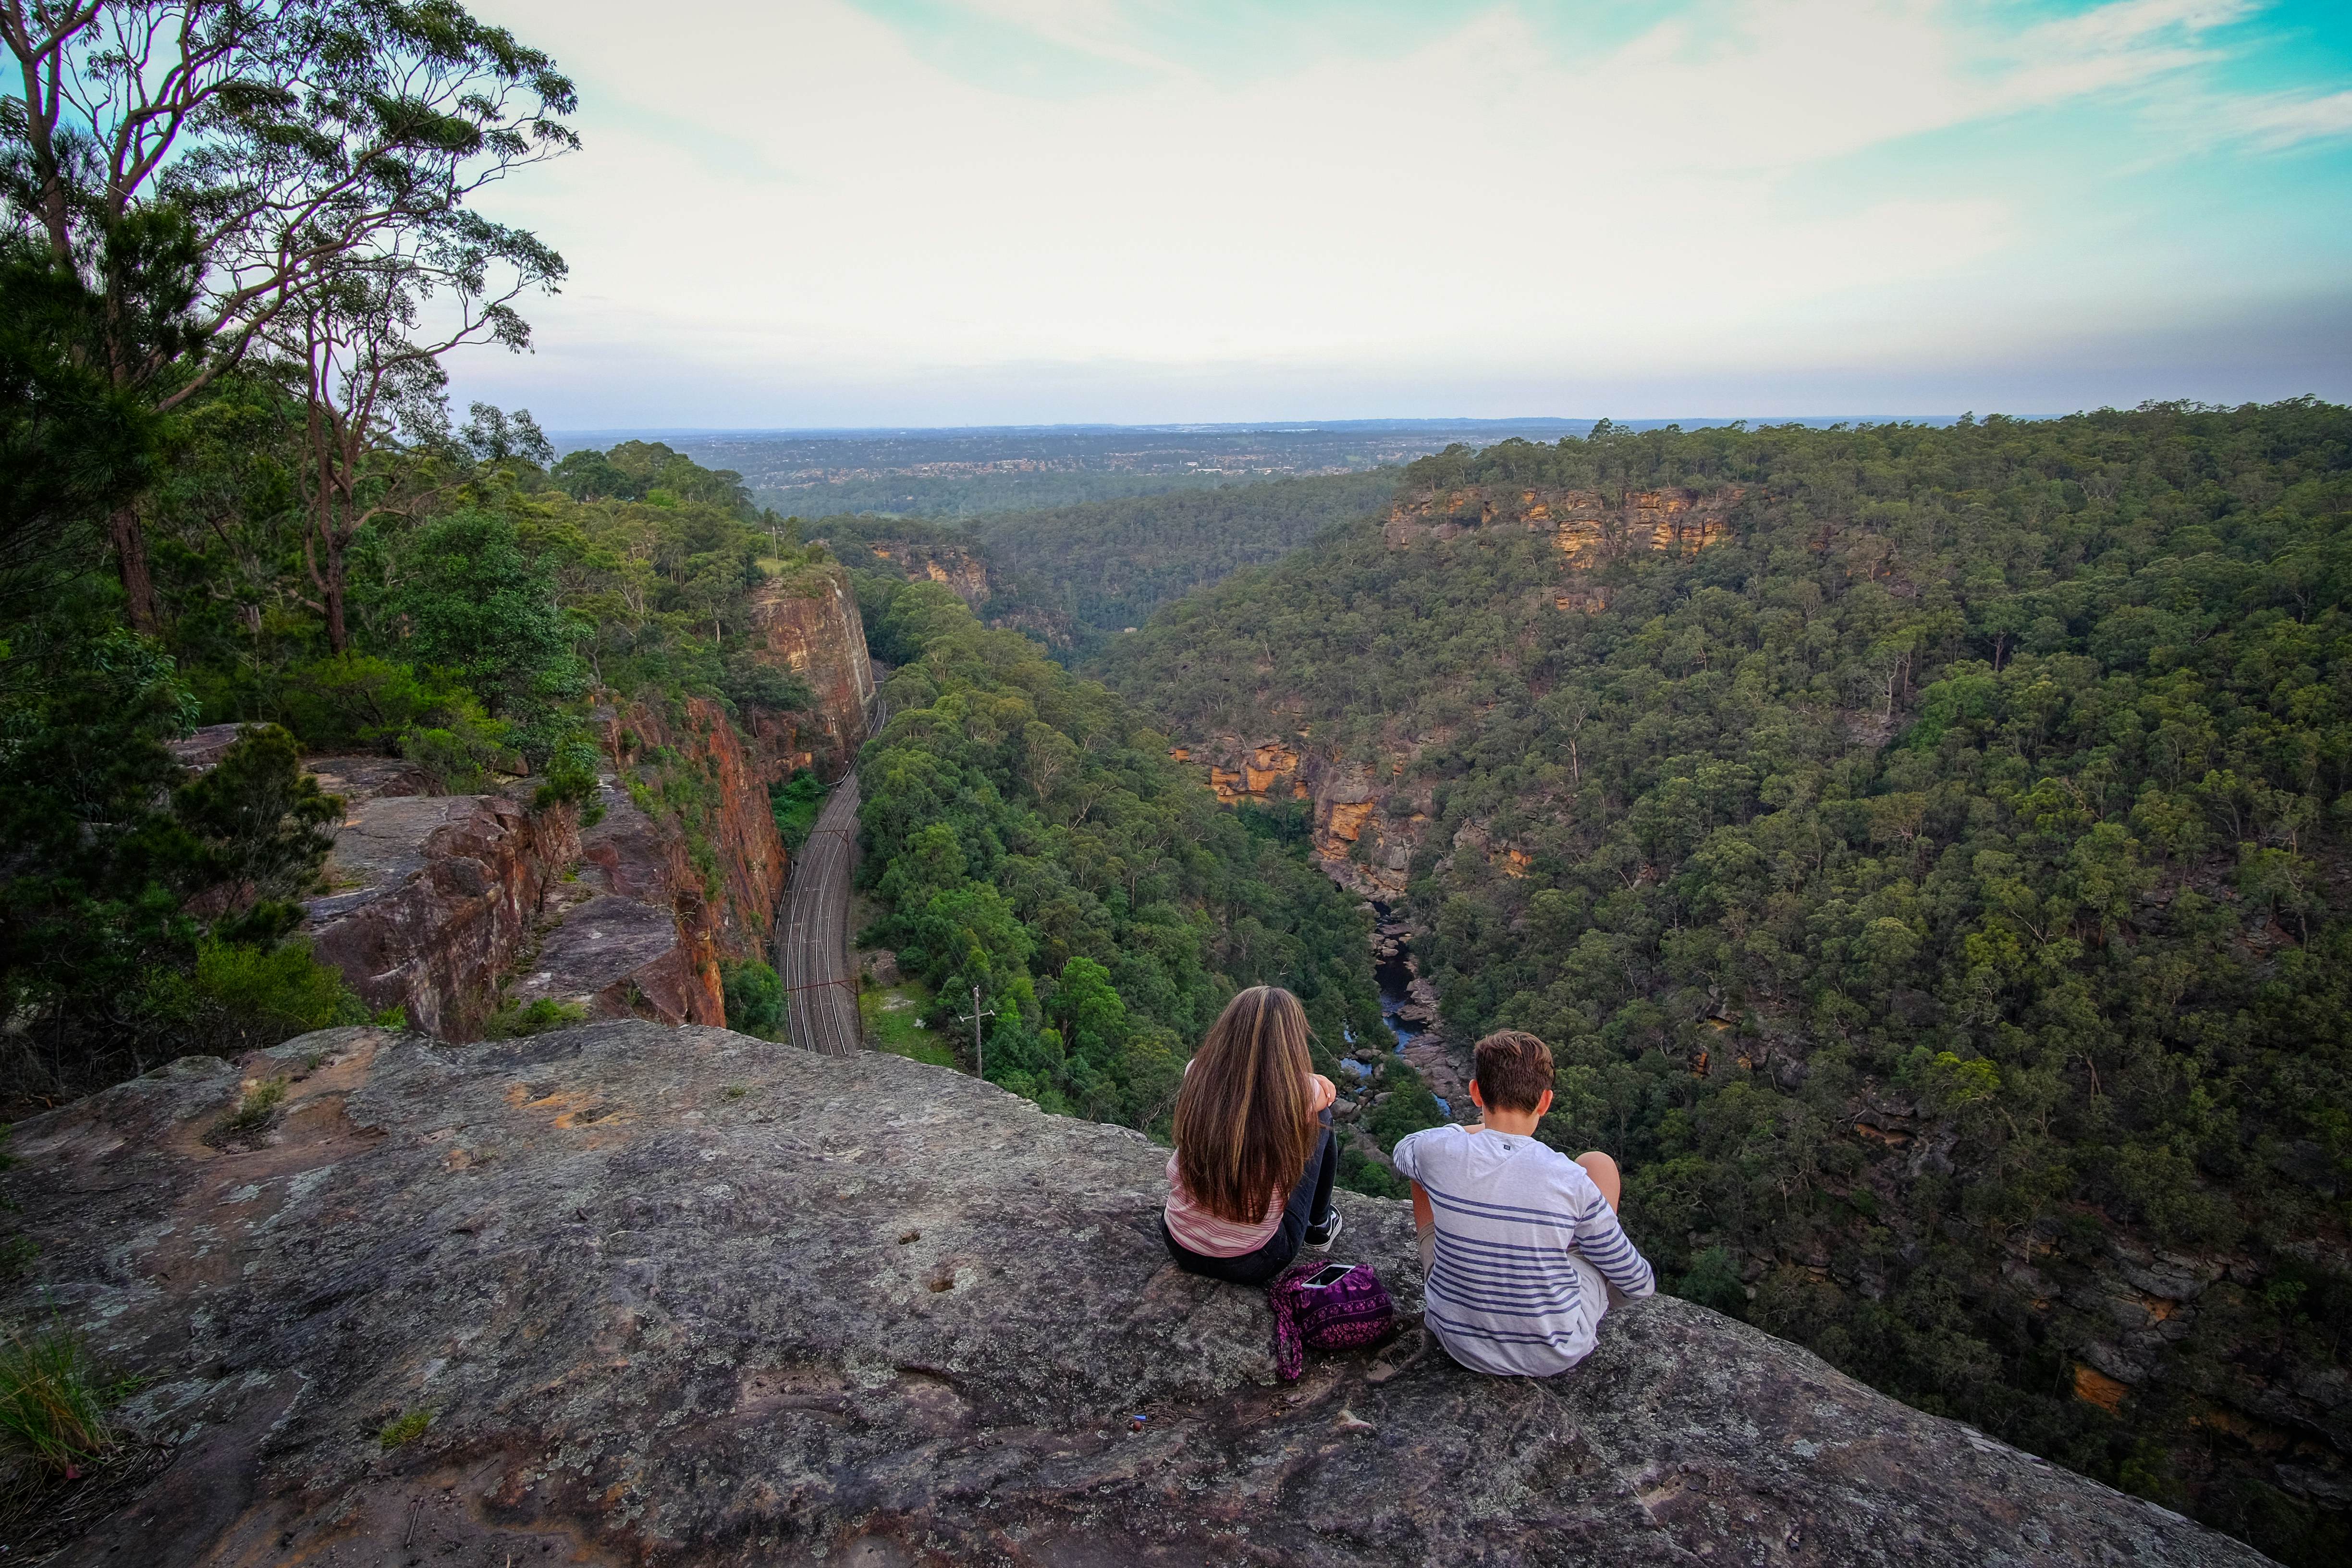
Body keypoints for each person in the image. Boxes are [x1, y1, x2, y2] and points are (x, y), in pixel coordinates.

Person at [1391, 1029, 1654, 1375]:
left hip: (1456, 1340)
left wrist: (1477, 1132)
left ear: (1475, 1093)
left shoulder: (1438, 1151)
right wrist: (1598, 1294)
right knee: (1599, 1164)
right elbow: (1639, 1284)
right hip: (1552, 1353)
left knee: (1421, 1171)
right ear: (1545, 1102)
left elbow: (1403, 1151)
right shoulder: (1570, 1179)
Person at [1161, 985, 1343, 1285]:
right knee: (1320, 1118)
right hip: (1251, 1261)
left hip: (1179, 1240)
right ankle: (1320, 1225)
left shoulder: (1196, 1072)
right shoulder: (1298, 1095)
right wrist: (1310, 1079)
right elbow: (1326, 1094)